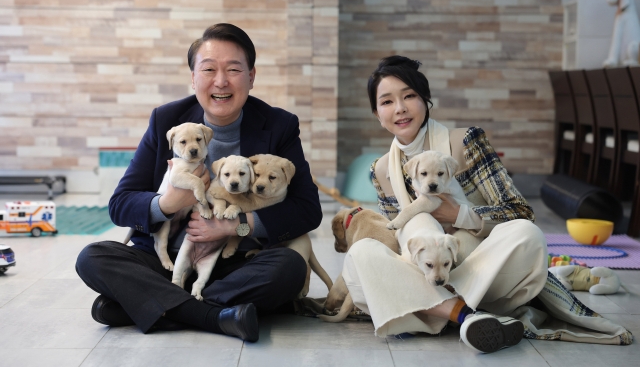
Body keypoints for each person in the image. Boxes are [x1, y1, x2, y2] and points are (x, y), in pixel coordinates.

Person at [341, 55, 632, 352]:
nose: (400, 108)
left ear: (426, 100)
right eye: (387, 101)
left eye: (409, 96)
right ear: (377, 113)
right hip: (429, 273)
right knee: (362, 253)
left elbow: (520, 211)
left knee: (526, 234)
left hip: (483, 267)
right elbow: (397, 239)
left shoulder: (465, 142)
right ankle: (464, 315)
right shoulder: (380, 171)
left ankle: (428, 308)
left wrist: (458, 214)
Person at [76, 23, 322, 342]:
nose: (221, 81)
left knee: (288, 266)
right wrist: (168, 203)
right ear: (193, 77)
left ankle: (149, 305)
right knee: (92, 257)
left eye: (234, 69)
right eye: (208, 69)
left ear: (251, 76)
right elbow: (120, 204)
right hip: (165, 260)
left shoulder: (279, 126)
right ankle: (214, 315)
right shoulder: (166, 120)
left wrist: (236, 227)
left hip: (236, 261)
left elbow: (307, 210)